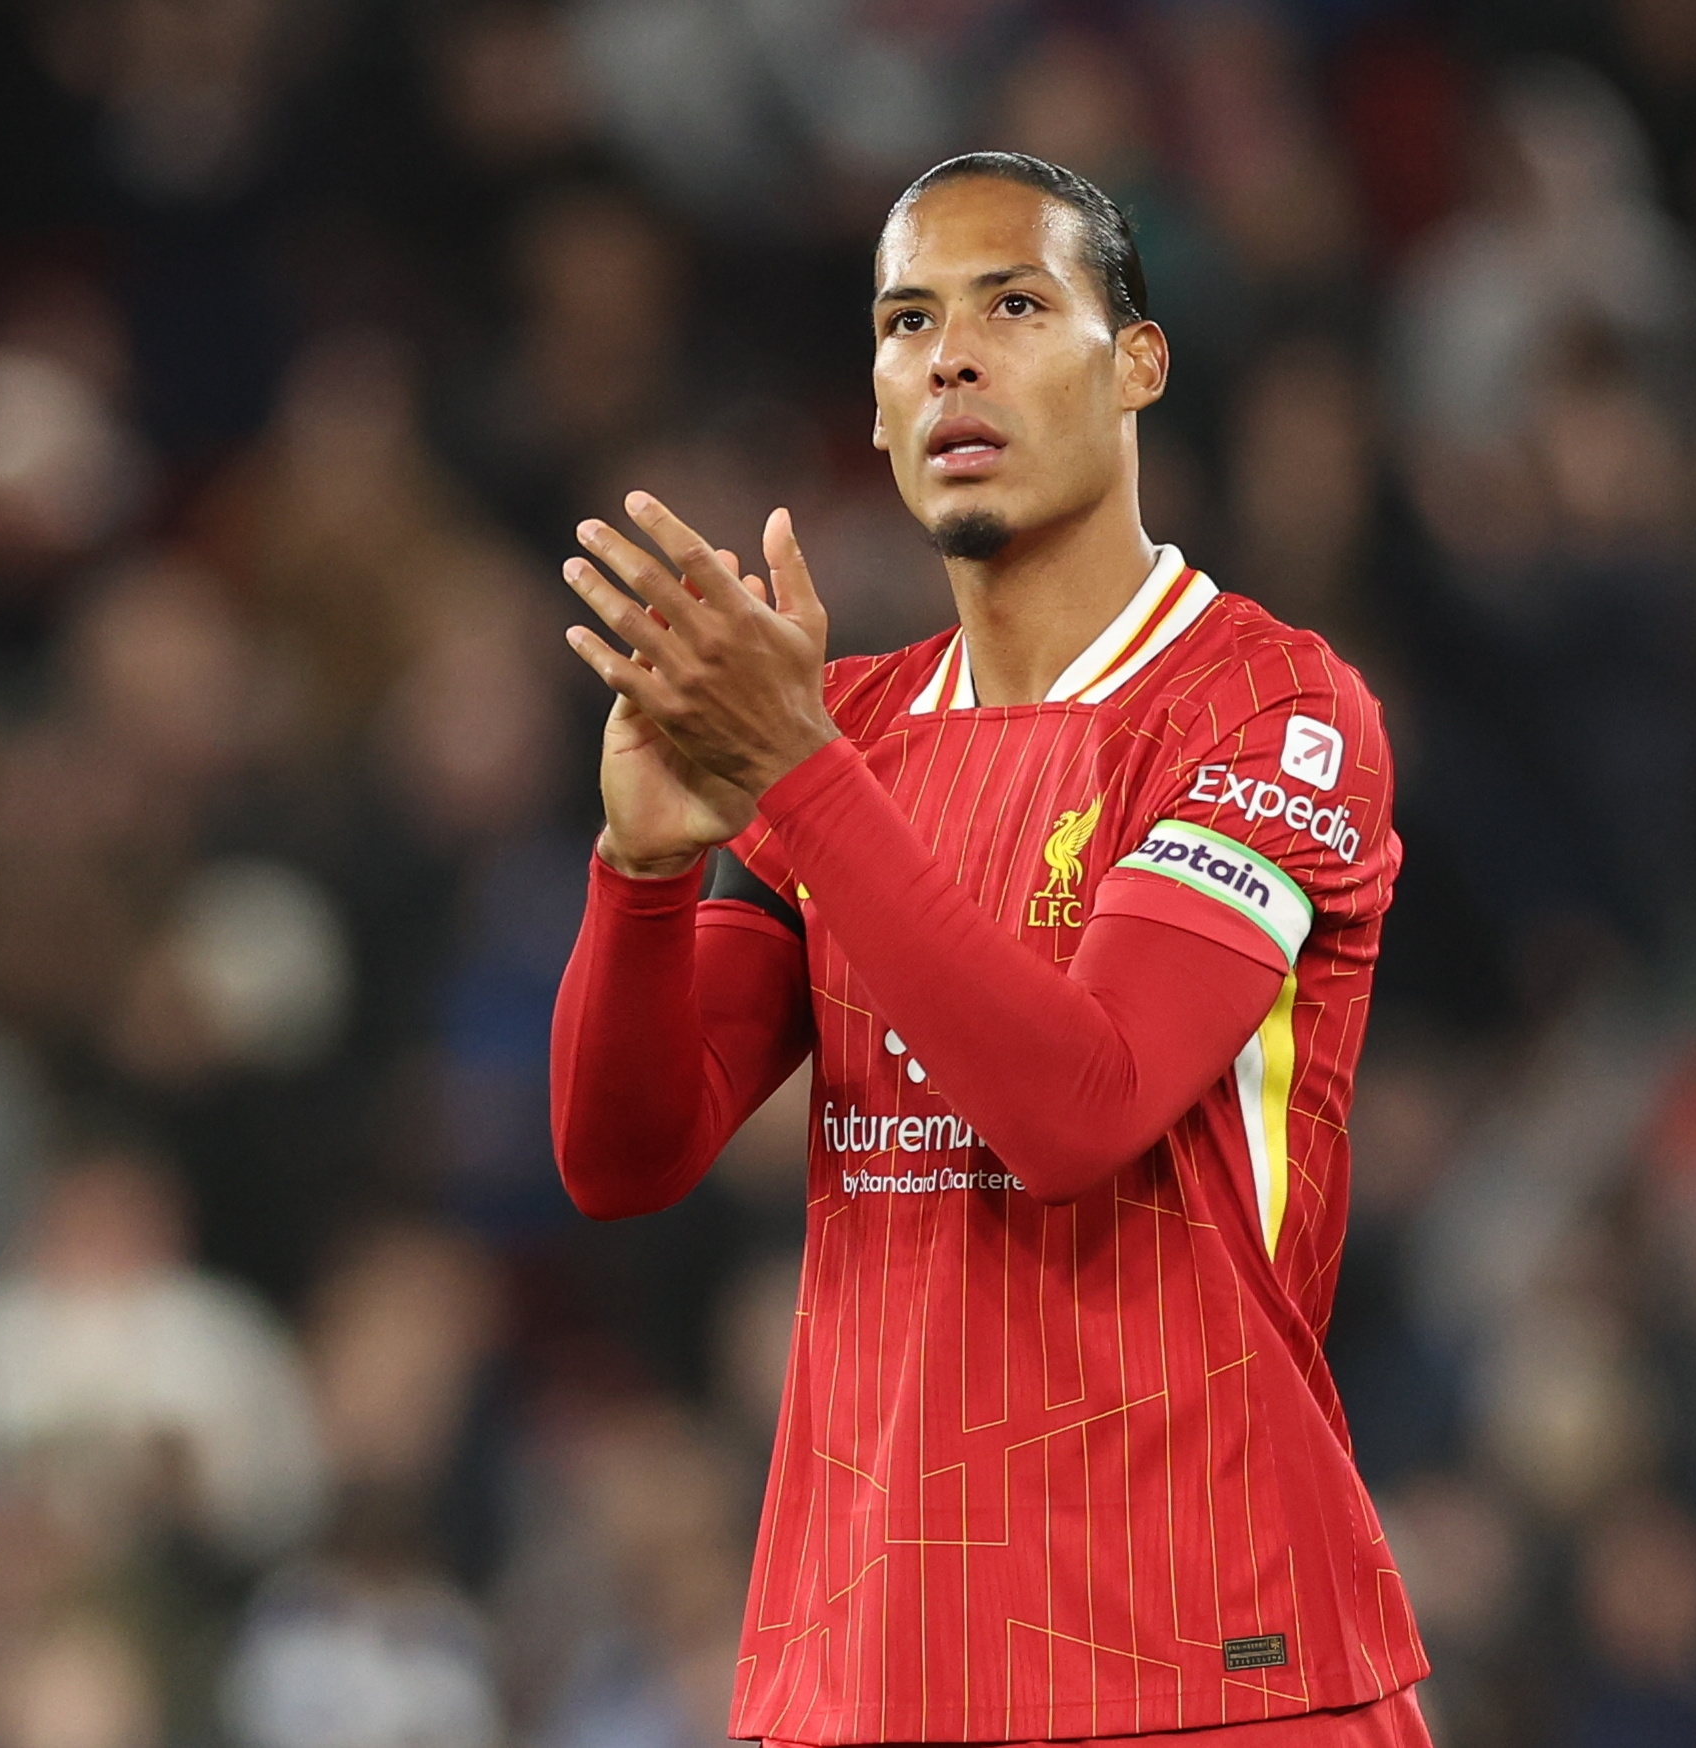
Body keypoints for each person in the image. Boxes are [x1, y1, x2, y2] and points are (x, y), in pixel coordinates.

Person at [548, 154, 1431, 1747]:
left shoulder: (1271, 710)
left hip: (1203, 1673)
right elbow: (625, 1153)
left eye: (1015, 304)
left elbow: (1078, 1107)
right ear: (878, 406)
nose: (949, 355)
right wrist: (644, 867)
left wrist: (797, 781)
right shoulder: (857, 738)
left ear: (1140, 360)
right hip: (870, 1664)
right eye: (905, 322)